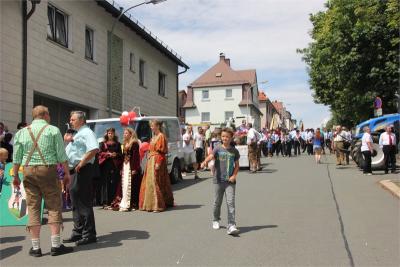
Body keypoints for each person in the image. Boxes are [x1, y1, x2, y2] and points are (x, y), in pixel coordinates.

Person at [12, 105, 73, 257]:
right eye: (49, 113)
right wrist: (66, 174)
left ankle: (35, 248)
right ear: (45, 115)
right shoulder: (53, 130)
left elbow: (16, 157)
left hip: (28, 170)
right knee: (53, 205)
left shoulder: (21, 132)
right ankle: (56, 245)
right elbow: (61, 155)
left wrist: (15, 177)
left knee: (33, 207)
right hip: (47, 170)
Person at [64, 111, 99, 246]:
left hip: (82, 170)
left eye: (73, 119)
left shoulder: (87, 132)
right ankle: (78, 232)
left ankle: (89, 234)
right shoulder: (78, 133)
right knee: (75, 203)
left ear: (81, 120)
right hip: (75, 170)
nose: (70, 121)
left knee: (83, 202)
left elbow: (94, 149)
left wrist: (82, 163)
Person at [201, 127, 240, 235]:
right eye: (223, 136)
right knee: (217, 202)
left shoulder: (234, 151)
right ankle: (216, 219)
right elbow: (211, 156)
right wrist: (204, 162)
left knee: (230, 203)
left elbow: (237, 166)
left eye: (227, 137)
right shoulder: (218, 148)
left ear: (231, 137)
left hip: (230, 181)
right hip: (218, 180)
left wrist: (234, 175)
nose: (225, 138)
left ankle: (231, 225)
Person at [139, 120, 174, 212]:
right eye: (151, 126)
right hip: (151, 160)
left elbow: (162, 152)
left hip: (157, 160)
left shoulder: (161, 136)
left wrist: (158, 162)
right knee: (150, 182)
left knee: (155, 182)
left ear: (157, 126)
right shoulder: (154, 137)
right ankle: (150, 204)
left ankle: (157, 205)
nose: (151, 127)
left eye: (152, 126)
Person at [112, 128, 141, 211]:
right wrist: (121, 168)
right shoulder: (124, 143)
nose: (124, 135)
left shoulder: (134, 143)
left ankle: (131, 203)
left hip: (131, 166)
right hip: (125, 165)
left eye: (126, 133)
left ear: (131, 134)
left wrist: (134, 168)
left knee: (131, 184)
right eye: (124, 133)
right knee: (124, 184)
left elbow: (136, 157)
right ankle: (123, 201)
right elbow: (122, 157)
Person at [98, 128, 122, 207]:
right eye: (109, 133)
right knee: (105, 182)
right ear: (107, 134)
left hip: (114, 165)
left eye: (112, 133)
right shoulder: (102, 143)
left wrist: (116, 154)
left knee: (114, 182)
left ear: (114, 134)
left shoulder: (118, 144)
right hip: (105, 165)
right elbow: (99, 153)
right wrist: (107, 154)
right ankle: (105, 201)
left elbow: (120, 154)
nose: (110, 135)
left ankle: (113, 200)